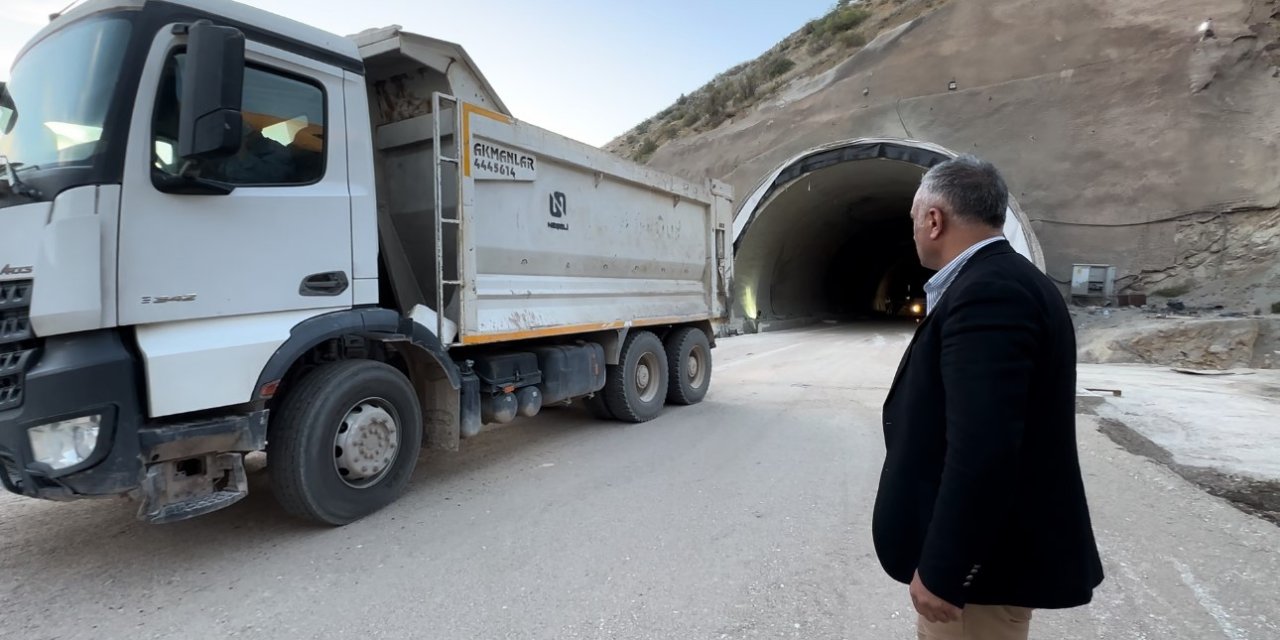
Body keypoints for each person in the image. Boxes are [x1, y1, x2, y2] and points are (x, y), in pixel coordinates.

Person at [872, 155, 1104, 639]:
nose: (913, 230)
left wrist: (945, 568)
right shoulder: (1005, 280)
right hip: (985, 569)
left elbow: (984, 449)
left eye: (914, 219)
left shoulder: (990, 292)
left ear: (934, 220)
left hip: (980, 584)